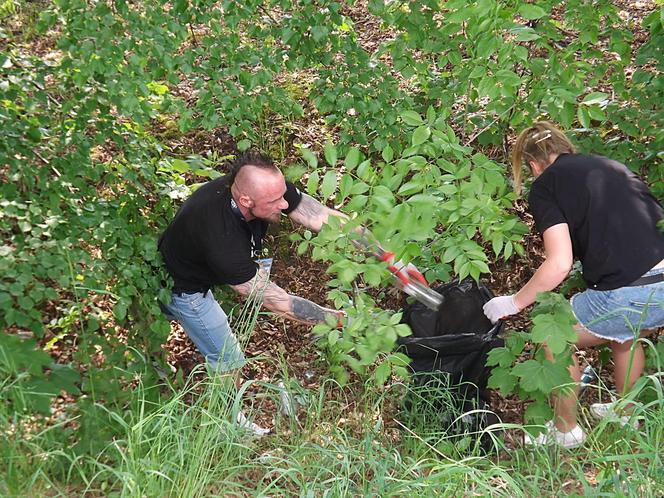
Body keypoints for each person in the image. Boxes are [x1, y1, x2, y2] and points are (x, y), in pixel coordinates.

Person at [483, 122, 664, 448]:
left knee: (555, 336)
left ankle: (564, 431)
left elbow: (559, 262)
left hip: (631, 289)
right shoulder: (609, 165)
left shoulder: (545, 185)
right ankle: (624, 412)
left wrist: (513, 302)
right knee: (626, 332)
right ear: (565, 147)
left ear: (533, 163)